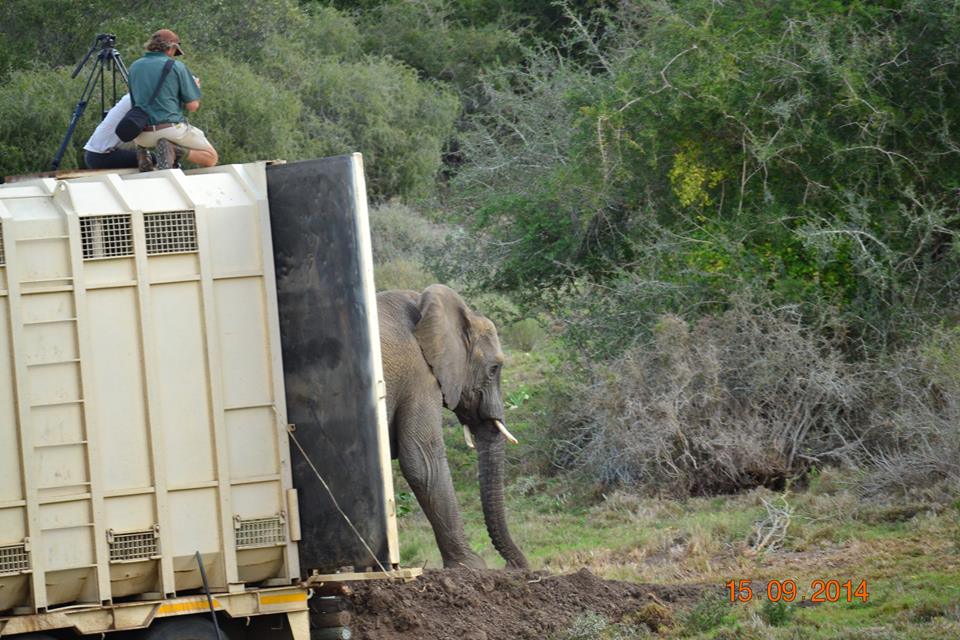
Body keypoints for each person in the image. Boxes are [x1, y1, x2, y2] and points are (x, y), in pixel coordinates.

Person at [127, 29, 218, 170]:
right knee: (211, 157)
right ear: (171, 48)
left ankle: (144, 153)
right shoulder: (176, 67)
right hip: (170, 129)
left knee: (154, 138)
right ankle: (175, 151)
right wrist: (195, 89)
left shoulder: (134, 67)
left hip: (141, 135)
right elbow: (192, 106)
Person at [82, 93, 139, 169]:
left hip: (96, 155)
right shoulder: (135, 101)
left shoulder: (132, 98)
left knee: (146, 157)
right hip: (102, 156)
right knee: (152, 158)